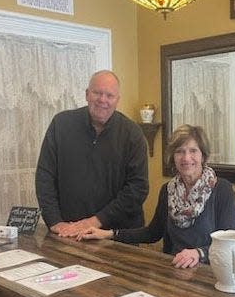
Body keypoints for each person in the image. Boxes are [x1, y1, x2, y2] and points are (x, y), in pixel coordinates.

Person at [77, 124, 235, 269]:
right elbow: (152, 233)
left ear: (203, 156)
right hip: (174, 271)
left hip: (210, 274)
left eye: (193, 151)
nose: (186, 158)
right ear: (173, 157)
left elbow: (229, 243)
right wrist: (109, 234)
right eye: (179, 151)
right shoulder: (168, 190)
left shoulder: (222, 189)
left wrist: (198, 253)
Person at [35, 70, 149, 237]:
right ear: (87, 94)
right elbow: (45, 176)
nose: (103, 100)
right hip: (68, 233)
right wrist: (54, 221)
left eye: (109, 95)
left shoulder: (133, 134)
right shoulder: (61, 124)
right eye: (97, 93)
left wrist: (94, 222)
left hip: (117, 236)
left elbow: (137, 188)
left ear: (118, 100)